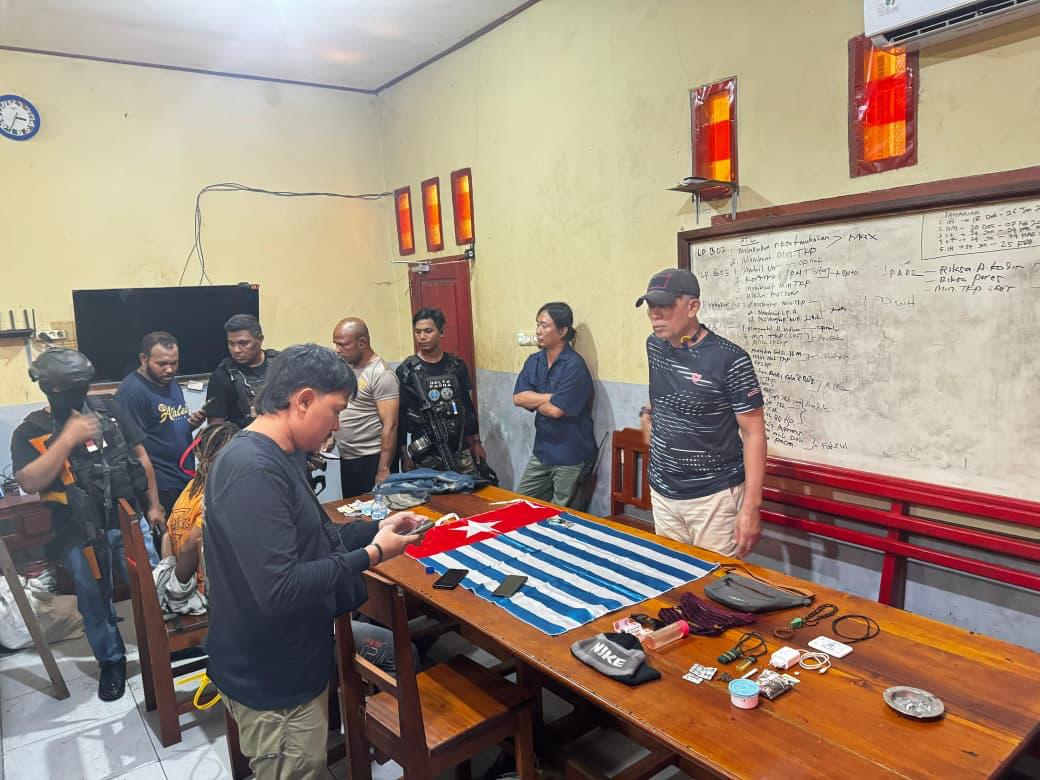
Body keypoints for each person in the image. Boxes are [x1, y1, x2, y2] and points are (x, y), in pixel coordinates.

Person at [204, 343, 424, 780]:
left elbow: (314, 539)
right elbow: (279, 586)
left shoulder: (280, 455)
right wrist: (373, 555)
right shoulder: (253, 469)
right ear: (303, 400)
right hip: (271, 675)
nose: (336, 426)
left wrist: (376, 529)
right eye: (335, 411)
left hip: (292, 652)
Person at [9, 349, 167, 701]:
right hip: (77, 530)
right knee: (94, 601)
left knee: (151, 586)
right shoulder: (31, 430)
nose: (78, 393)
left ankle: (166, 642)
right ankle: (111, 661)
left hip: (127, 519)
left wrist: (154, 506)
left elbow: (141, 458)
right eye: (70, 387)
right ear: (50, 388)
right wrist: (67, 438)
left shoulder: (109, 409)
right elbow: (29, 481)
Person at [636, 268, 767, 559]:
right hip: (663, 489)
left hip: (713, 497)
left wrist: (751, 508)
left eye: (665, 305)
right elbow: (664, 392)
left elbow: (754, 434)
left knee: (716, 579)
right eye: (650, 305)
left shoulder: (729, 359)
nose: (655, 314)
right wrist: (647, 412)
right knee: (672, 573)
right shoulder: (654, 346)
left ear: (693, 306)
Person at [513, 302, 598, 508]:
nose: (538, 331)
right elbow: (518, 398)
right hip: (542, 451)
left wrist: (535, 400)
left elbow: (556, 410)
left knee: (561, 514)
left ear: (562, 331)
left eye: (544, 326)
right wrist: (549, 397)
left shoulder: (574, 365)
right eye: (538, 325)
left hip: (571, 455)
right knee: (520, 505)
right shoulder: (535, 360)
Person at [116, 331, 206, 516]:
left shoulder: (170, 381)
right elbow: (134, 450)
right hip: (161, 487)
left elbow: (164, 427)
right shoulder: (131, 392)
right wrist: (154, 505)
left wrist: (191, 425)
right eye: (162, 364)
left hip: (185, 478)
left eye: (174, 363)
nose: (170, 370)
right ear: (144, 359)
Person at [153, 422, 238, 617]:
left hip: (178, 573)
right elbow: (190, 546)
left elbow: (167, 537)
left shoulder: (192, 486)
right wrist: (177, 589)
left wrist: (169, 573)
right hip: (200, 590)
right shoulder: (217, 496)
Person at [396, 308, 487, 475]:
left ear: (441, 332)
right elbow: (400, 414)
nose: (422, 337)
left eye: (428, 331)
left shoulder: (457, 366)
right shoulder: (406, 370)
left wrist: (476, 442)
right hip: (424, 452)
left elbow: (467, 406)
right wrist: (403, 454)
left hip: (458, 448)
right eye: (418, 332)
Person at [331, 317, 399, 497]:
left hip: (372, 459)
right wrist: (331, 436)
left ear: (362, 342)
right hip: (348, 458)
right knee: (351, 509)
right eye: (335, 343)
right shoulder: (347, 368)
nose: (337, 349)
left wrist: (383, 469)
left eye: (343, 344)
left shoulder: (381, 374)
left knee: (374, 512)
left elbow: (390, 425)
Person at [205, 314, 278, 428]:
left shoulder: (282, 366)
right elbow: (215, 429)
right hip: (243, 437)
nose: (236, 350)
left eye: (243, 343)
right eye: (231, 343)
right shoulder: (221, 376)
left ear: (260, 339)